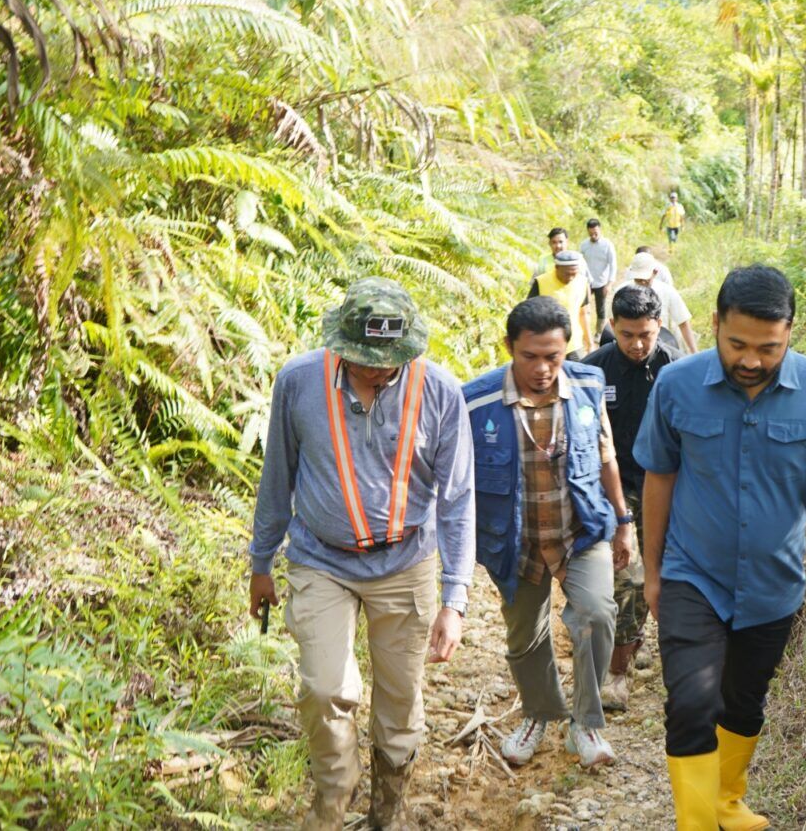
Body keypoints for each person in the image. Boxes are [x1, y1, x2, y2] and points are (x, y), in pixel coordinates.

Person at [634, 265, 806, 830]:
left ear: (790, 332)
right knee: (693, 703)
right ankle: (696, 824)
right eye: (737, 344)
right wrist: (653, 572)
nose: (751, 360)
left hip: (773, 585)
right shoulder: (677, 386)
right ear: (715, 324)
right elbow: (659, 480)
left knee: (742, 702)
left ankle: (726, 802)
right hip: (691, 574)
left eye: (768, 348)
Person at [247, 277, 475, 831]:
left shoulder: (440, 392)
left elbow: (458, 497)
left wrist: (456, 597)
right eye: (364, 359)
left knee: (399, 706)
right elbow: (276, 476)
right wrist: (260, 562)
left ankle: (388, 811)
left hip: (406, 563)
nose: (378, 370)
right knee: (326, 688)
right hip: (321, 559)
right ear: (341, 346)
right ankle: (332, 802)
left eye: (389, 360)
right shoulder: (299, 383)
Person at [463, 297, 636, 769]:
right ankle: (540, 713)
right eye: (530, 356)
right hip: (514, 542)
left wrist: (623, 523)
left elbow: (606, 456)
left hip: (580, 531)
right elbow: (456, 483)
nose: (542, 369)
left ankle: (585, 722)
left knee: (599, 613)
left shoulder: (588, 384)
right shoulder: (475, 402)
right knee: (525, 638)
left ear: (567, 350)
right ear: (509, 348)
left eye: (553, 357)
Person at [582, 285, 682, 711]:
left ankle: (648, 651)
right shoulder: (592, 372)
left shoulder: (678, 370)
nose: (638, 344)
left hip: (669, 483)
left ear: (659, 325)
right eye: (627, 335)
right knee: (628, 578)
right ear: (611, 328)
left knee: (657, 578)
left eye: (646, 334)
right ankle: (616, 672)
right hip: (614, 487)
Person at [610, 252, 697, 354]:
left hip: (663, 346)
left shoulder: (667, 292)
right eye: (638, 279)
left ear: (655, 272)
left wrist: (694, 351)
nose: (642, 282)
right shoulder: (621, 292)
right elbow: (611, 323)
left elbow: (683, 323)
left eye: (645, 279)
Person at [528, 250, 595, 359]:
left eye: (574, 274)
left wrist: (590, 343)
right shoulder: (541, 282)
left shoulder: (582, 282)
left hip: (574, 344)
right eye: (567, 274)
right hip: (547, 344)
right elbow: (529, 314)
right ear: (557, 267)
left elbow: (584, 313)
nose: (571, 278)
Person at [578, 218, 618, 336]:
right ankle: (583, 332)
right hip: (586, 282)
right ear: (588, 231)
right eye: (591, 233)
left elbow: (613, 264)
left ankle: (599, 333)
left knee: (600, 308)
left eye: (595, 233)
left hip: (602, 282)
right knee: (583, 307)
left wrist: (610, 283)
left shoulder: (607, 245)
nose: (593, 235)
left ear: (600, 230)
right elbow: (580, 263)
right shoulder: (584, 245)